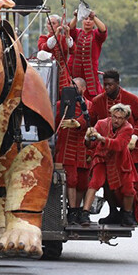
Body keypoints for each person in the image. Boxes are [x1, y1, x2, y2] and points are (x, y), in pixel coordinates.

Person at [80, 103, 137, 227]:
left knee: (128, 189)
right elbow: (90, 145)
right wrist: (88, 137)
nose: (117, 120)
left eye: (120, 118)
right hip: (102, 158)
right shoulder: (101, 123)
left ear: (125, 118)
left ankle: (127, 214)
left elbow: (119, 145)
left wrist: (101, 138)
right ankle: (84, 213)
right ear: (111, 115)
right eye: (115, 117)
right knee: (95, 182)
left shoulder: (128, 128)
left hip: (120, 161)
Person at [54, 78, 91, 224]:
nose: (72, 88)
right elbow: (55, 123)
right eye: (71, 85)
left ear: (83, 89)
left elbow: (90, 120)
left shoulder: (89, 105)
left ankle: (78, 209)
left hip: (82, 149)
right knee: (71, 180)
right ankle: (72, 210)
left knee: (82, 182)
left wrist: (78, 123)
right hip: (66, 147)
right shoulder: (60, 105)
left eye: (75, 86)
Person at [68, 9, 107, 100]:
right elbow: (70, 29)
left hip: (90, 74)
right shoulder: (77, 33)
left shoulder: (96, 35)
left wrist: (94, 16)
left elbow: (103, 30)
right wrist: (76, 16)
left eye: (91, 19)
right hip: (73, 72)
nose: (88, 21)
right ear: (82, 21)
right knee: (71, 94)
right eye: (86, 19)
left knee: (93, 97)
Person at [38, 14, 74, 90]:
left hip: (62, 76)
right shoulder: (43, 38)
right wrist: (56, 33)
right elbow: (45, 48)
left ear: (58, 25)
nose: (51, 26)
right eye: (49, 23)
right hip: (47, 75)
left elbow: (73, 50)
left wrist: (67, 34)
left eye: (53, 23)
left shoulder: (64, 38)